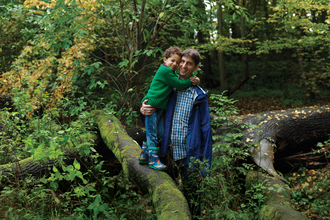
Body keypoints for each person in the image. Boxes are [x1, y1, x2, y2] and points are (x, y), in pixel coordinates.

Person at [141, 48, 212, 218]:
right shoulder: (169, 88)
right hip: (167, 153)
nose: (183, 66)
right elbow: (153, 100)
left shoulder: (198, 96)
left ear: (195, 67)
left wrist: (205, 167)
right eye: (182, 62)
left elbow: (206, 131)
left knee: (193, 198)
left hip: (189, 154)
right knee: (168, 198)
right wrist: (143, 107)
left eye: (189, 64)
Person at [139, 46, 200, 171]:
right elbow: (177, 84)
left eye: (178, 62)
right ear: (164, 59)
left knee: (158, 133)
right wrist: (192, 81)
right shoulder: (166, 72)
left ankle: (144, 155)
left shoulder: (198, 95)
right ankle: (153, 159)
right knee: (152, 134)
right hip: (153, 107)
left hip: (159, 109)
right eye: (175, 61)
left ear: (195, 67)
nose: (177, 64)